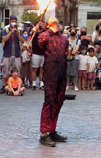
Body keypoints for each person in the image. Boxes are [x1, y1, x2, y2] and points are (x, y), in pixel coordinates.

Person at [38, 17, 69, 147]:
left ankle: (52, 129)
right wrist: (43, 30)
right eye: (53, 20)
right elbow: (39, 45)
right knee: (49, 100)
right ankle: (44, 133)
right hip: (51, 71)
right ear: (49, 23)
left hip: (62, 70)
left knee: (59, 100)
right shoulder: (44, 36)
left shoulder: (64, 38)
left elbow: (66, 53)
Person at [0, 15, 24, 94]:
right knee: (5, 71)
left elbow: (23, 41)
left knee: (17, 71)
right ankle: (3, 86)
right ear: (9, 21)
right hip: (7, 54)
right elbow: (4, 39)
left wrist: (18, 33)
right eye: (12, 21)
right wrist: (11, 32)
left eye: (15, 21)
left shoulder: (19, 30)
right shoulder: (5, 30)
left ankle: (17, 87)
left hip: (16, 54)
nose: (13, 22)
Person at [31, 22, 45, 90]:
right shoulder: (34, 32)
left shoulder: (44, 32)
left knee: (42, 69)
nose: (40, 25)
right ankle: (33, 83)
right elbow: (32, 32)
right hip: (36, 53)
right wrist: (35, 29)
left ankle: (41, 82)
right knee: (35, 69)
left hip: (43, 53)